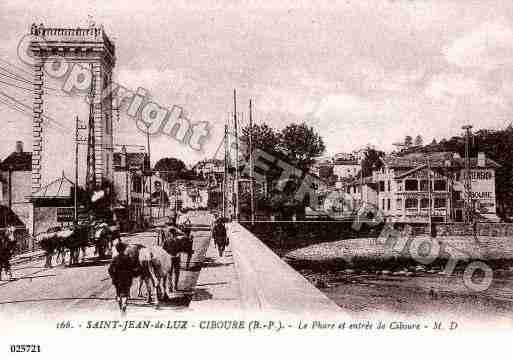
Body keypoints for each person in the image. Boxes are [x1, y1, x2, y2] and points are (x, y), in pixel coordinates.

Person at [108, 242, 135, 313]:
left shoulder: (115, 258)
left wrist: (113, 276)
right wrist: (131, 275)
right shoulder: (128, 258)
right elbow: (132, 268)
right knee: (125, 292)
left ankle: (119, 301)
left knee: (118, 292)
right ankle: (124, 303)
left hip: (117, 278)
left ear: (117, 250)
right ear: (124, 249)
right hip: (126, 278)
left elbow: (110, 269)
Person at [161, 226, 182, 292]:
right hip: (176, 258)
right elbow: (180, 249)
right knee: (177, 272)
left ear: (170, 233)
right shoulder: (178, 240)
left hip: (169, 258)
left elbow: (163, 250)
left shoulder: (166, 241)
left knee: (169, 273)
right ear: (175, 233)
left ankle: (170, 287)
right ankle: (175, 286)